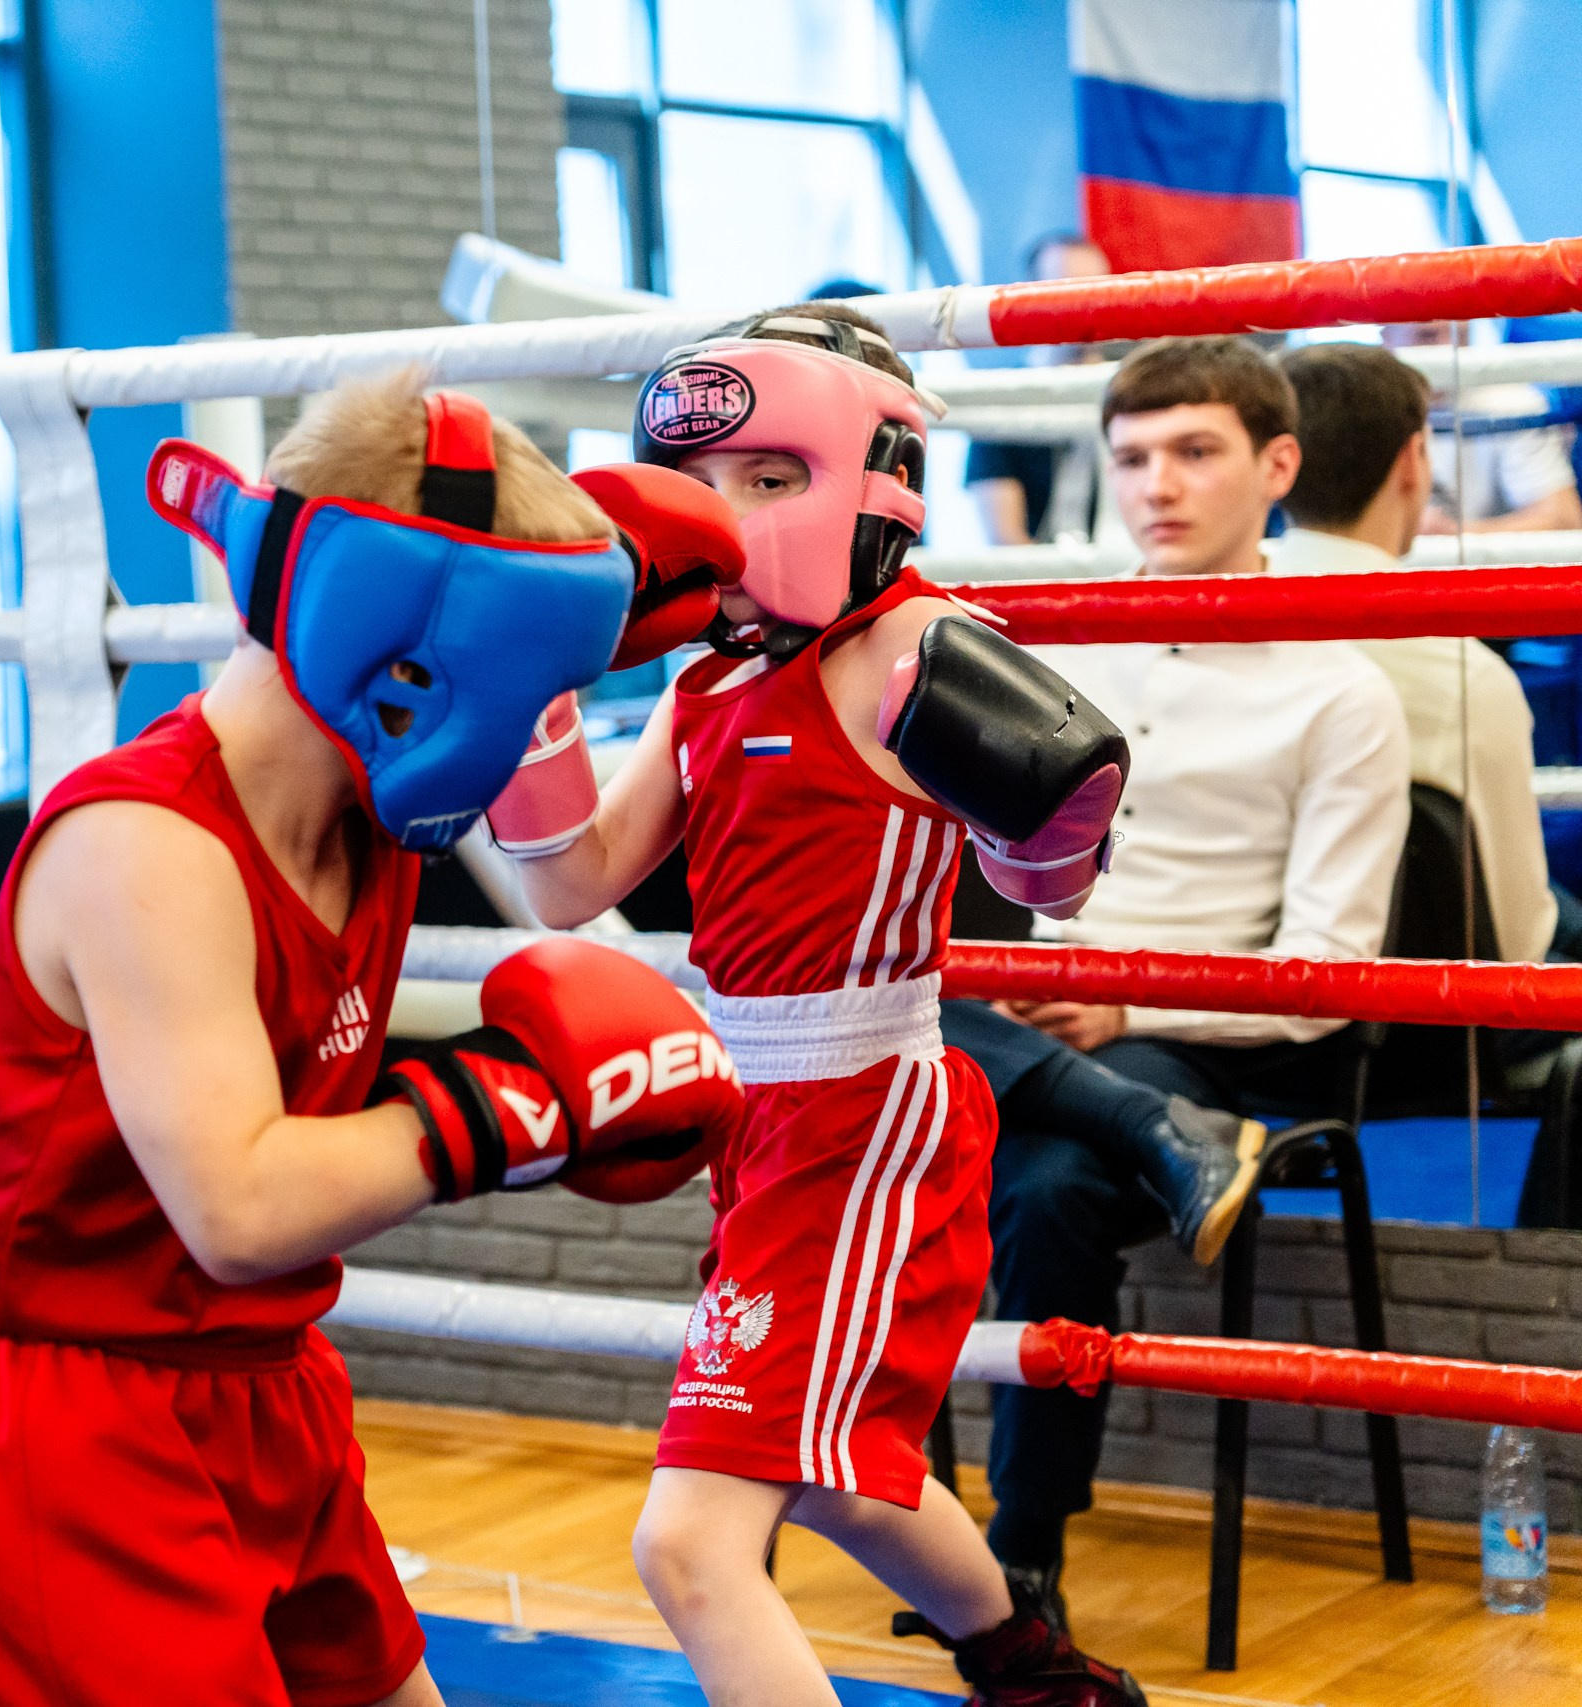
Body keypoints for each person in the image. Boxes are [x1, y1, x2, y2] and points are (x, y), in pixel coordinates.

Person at [0, 373, 749, 1705]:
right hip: (77, 1429)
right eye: (522, 685)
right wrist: (506, 1105)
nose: (532, 733)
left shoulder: (368, 812)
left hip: (269, 1384)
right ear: (399, 659)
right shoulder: (148, 850)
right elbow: (236, 1205)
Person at [488, 302, 1150, 1706]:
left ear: (872, 479)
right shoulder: (710, 683)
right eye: (699, 482)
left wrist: (1057, 822)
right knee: (841, 1472)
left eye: (770, 476)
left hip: (865, 1120)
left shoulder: (919, 647)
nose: (728, 517)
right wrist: (527, 689)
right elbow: (570, 881)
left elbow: (1046, 875)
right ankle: (1042, 1677)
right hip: (757, 1119)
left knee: (688, 1546)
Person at [943, 337, 1412, 1610]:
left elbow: (1328, 969)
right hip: (1031, 1015)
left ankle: (1021, 1552)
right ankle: (1149, 1134)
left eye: (1194, 452)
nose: (1157, 485)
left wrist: (1126, 1003)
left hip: (1208, 1036)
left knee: (1049, 1186)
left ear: (1278, 466)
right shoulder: (1062, 651)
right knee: (866, 981)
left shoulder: (1343, 694)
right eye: (1133, 457)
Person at [1274, 341, 1557, 966]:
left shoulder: (1197, 627)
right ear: (1413, 461)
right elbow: (1516, 941)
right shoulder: (1466, 677)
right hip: (1415, 1005)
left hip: (1228, 978)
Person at [966, 233, 1115, 548]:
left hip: (1127, 568)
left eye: (1100, 290)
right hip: (1041, 571)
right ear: (1030, 299)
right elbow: (1005, 538)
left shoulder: (1131, 389)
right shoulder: (1002, 398)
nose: (1088, 305)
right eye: (1068, 291)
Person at [1384, 322, 1582, 534]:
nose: (1447, 348)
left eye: (1461, 336)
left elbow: (1564, 518)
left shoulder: (1509, 404)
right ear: (1386, 337)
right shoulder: (1365, 407)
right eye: (1427, 336)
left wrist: (1453, 532)